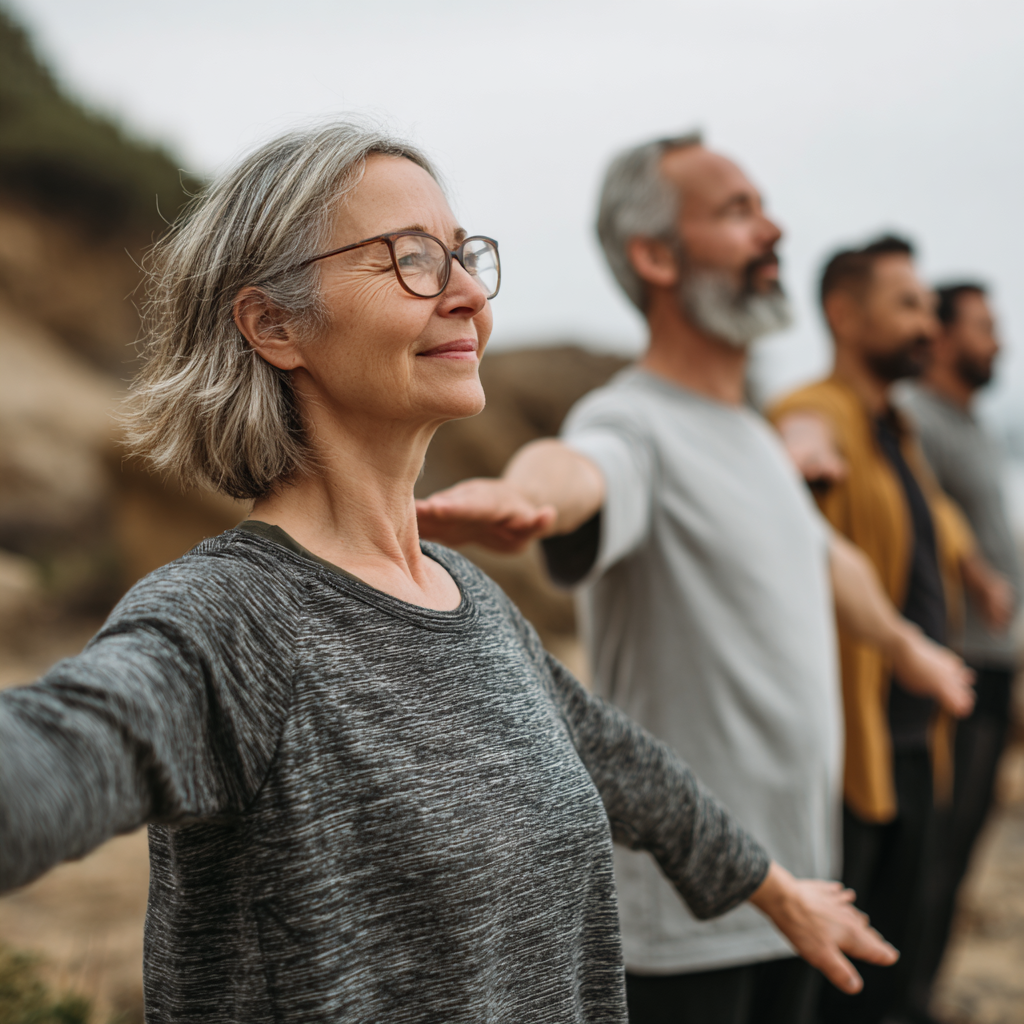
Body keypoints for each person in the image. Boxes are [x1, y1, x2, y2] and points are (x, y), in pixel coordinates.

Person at [0, 122, 896, 1024]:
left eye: (466, 256)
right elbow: (63, 746)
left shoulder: (470, 599)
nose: (469, 293)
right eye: (413, 260)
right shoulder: (228, 621)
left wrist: (773, 888)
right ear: (274, 324)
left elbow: (627, 768)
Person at [416, 134, 969, 1024]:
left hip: (796, 888)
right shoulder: (630, 419)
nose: (773, 229)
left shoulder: (752, 434)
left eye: (763, 207)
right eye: (737, 212)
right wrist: (525, 494)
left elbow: (828, 562)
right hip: (686, 916)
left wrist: (906, 647)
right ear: (655, 255)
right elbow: (582, 468)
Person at [769, 238, 1011, 1023]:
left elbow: (937, 514)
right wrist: (799, 457)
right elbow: (801, 432)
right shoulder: (819, 407)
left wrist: (976, 573)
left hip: (917, 734)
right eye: (908, 305)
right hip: (855, 744)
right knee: (847, 978)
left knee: (898, 955)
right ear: (844, 314)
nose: (928, 326)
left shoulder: (896, 427)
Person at [896, 283, 1021, 1021]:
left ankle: (925, 994)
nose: (997, 341)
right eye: (982, 328)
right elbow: (928, 513)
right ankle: (907, 1001)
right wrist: (973, 568)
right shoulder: (922, 419)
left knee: (966, 842)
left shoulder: (972, 422)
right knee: (936, 851)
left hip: (995, 662)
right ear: (940, 339)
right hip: (956, 664)